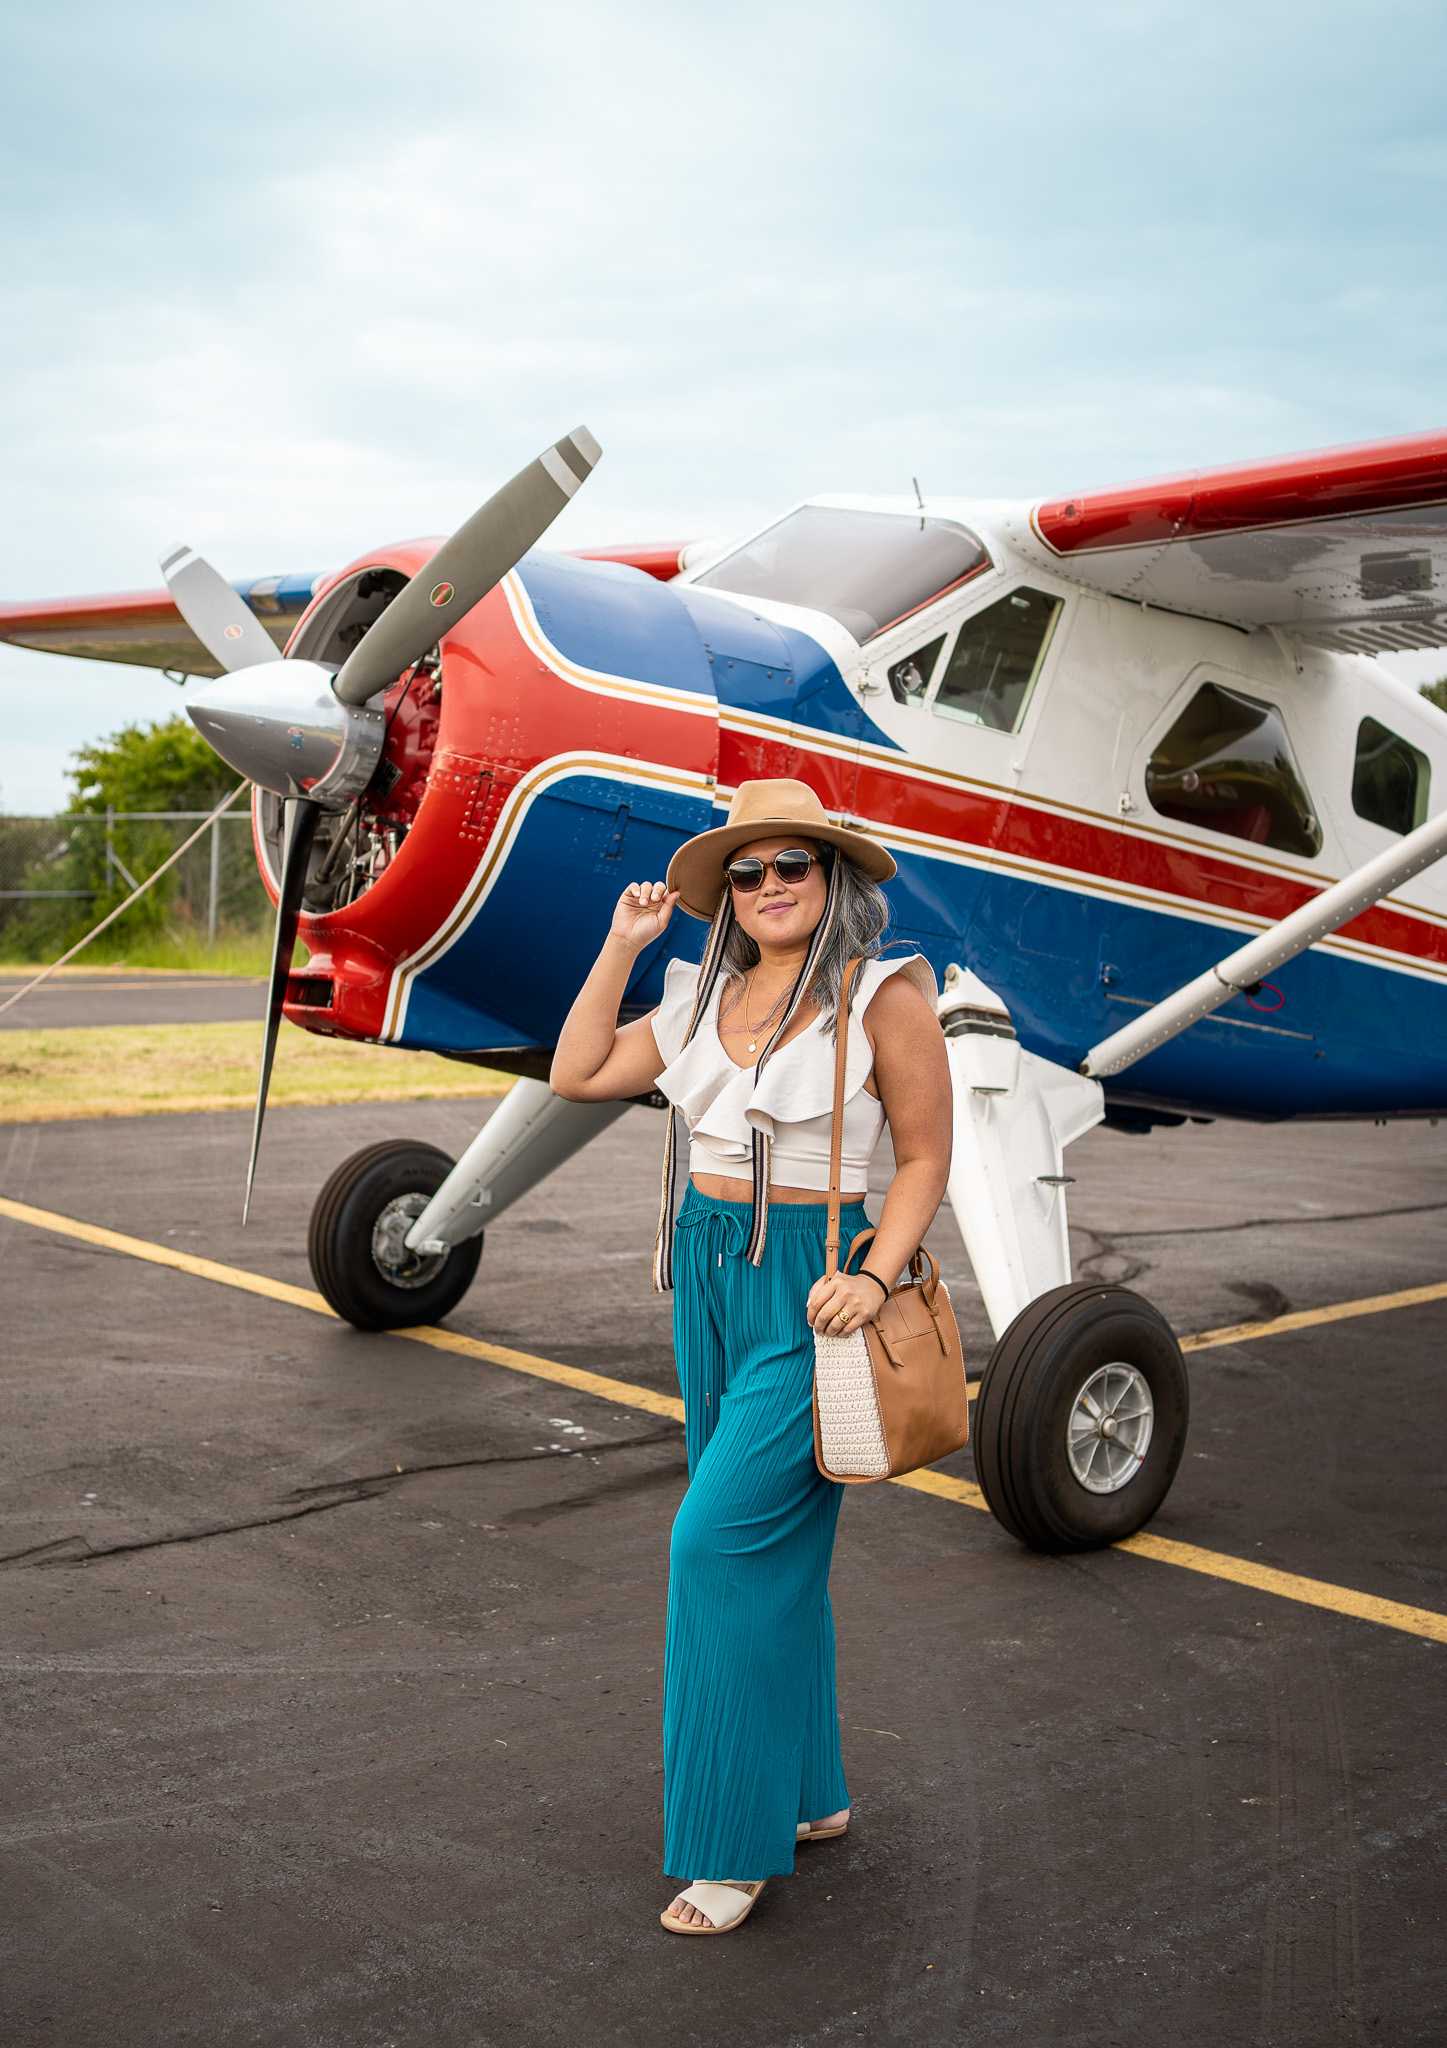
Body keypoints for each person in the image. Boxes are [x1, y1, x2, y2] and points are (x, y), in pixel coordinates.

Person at [551, 778, 951, 1935]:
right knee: (774, 1549)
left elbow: (924, 1157)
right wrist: (622, 944)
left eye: (793, 864)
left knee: (715, 1543)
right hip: (710, 1268)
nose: (770, 884)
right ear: (725, 893)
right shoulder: (697, 998)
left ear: (832, 879)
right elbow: (577, 1072)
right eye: (748, 870)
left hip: (810, 1286)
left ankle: (731, 1842)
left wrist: (874, 1273)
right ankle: (811, 1793)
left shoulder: (883, 998)